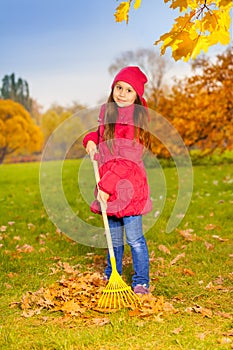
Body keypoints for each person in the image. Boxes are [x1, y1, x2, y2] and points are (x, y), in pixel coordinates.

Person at [83, 66, 152, 295]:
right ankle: (113, 273)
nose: (122, 93)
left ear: (137, 97)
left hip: (128, 187)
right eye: (119, 87)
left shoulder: (135, 122)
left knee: (134, 239)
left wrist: (105, 187)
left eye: (129, 90)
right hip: (108, 185)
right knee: (113, 238)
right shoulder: (109, 112)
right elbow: (102, 135)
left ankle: (141, 280)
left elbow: (127, 159)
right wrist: (91, 140)